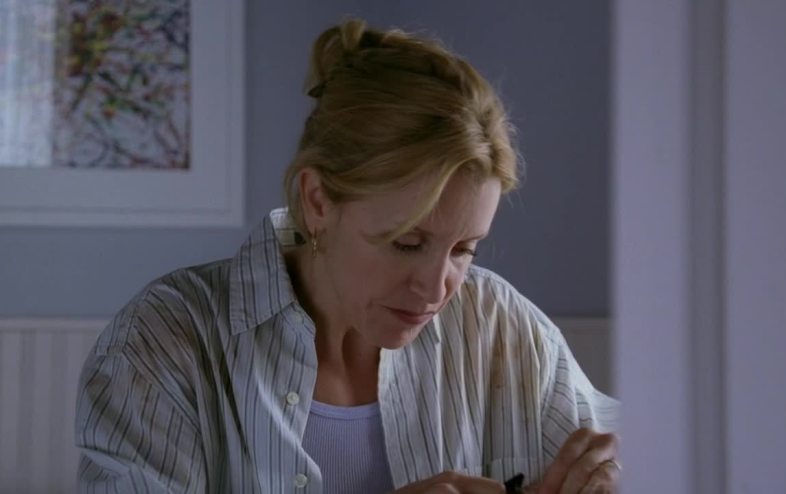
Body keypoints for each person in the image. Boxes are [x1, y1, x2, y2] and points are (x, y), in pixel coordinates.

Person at [75, 18, 620, 494]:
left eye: (463, 249)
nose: (437, 289)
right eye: (406, 243)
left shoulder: (505, 329)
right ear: (317, 200)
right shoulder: (164, 344)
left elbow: (636, 453)